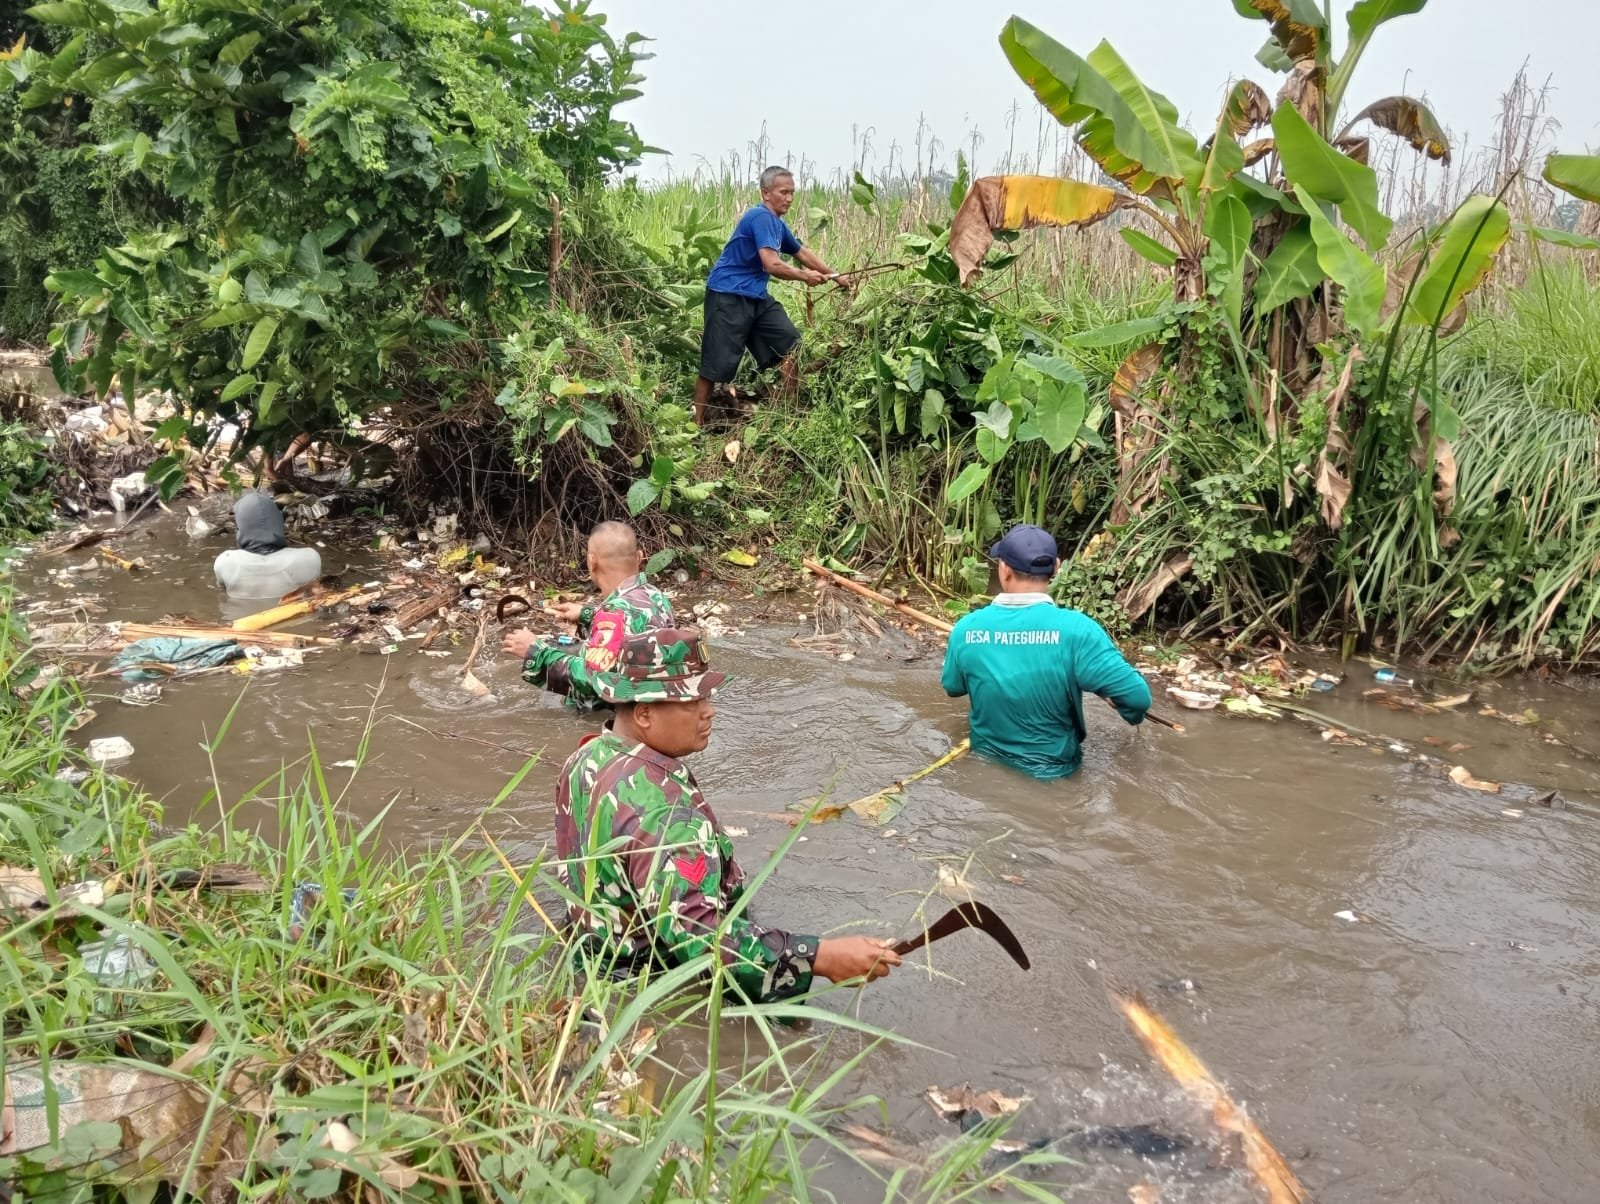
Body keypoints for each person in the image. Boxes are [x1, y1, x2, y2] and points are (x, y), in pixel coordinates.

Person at [555, 627, 900, 1002]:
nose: (709, 711)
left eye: (707, 696)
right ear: (644, 714)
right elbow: (700, 942)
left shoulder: (586, 757)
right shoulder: (667, 814)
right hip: (654, 987)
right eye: (692, 701)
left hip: (596, 959)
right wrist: (820, 956)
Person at [941, 524, 1152, 780]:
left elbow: (953, 687)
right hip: (1053, 775)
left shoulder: (966, 629)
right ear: (1056, 568)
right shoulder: (1078, 630)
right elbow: (1137, 699)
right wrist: (1127, 709)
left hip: (985, 766)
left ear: (1004, 570)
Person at [691, 166, 849, 427]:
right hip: (728, 295)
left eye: (792, 193)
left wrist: (836, 276)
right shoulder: (760, 217)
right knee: (714, 366)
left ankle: (786, 415)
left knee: (791, 346)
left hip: (756, 296)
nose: (789, 198)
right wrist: (805, 277)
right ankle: (695, 425)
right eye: (783, 192)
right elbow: (772, 265)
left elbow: (802, 253)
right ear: (766, 193)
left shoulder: (777, 224)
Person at [500, 521, 674, 710]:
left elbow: (595, 681)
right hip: (652, 703)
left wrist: (535, 652)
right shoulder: (655, 595)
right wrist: (588, 614)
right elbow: (633, 625)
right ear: (640, 557)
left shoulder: (613, 613)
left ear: (592, 561)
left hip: (616, 717)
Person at [212, 491, 322, 599]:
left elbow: (222, 596)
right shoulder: (310, 558)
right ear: (279, 523)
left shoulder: (225, 562)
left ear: (240, 528)